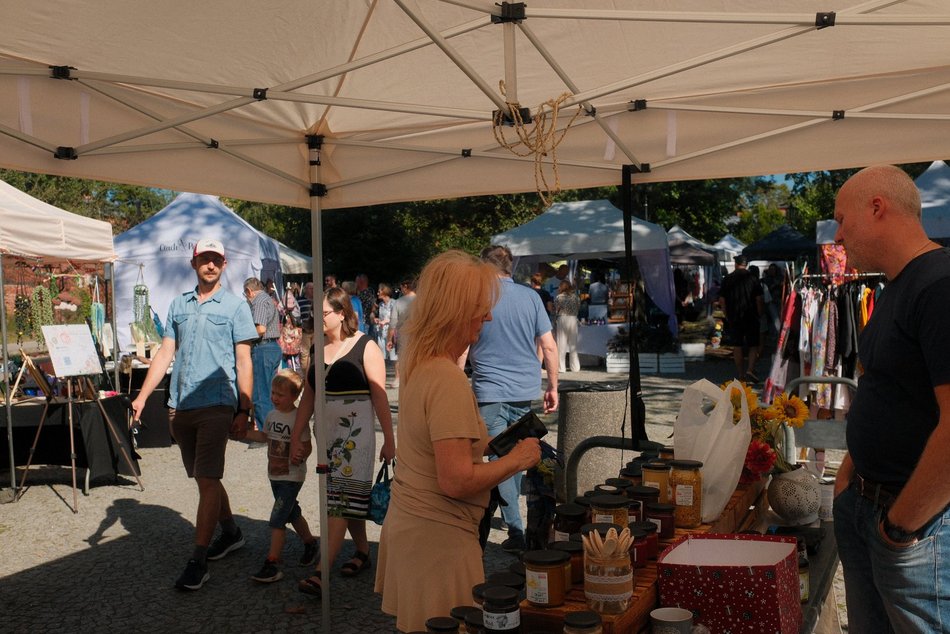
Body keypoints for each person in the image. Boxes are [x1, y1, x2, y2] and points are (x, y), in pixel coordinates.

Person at [374, 250, 541, 632]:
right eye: (480, 309)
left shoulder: (422, 366)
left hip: (418, 529)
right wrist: (518, 458)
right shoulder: (446, 379)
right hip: (438, 538)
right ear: (455, 311)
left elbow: (436, 447)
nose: (487, 317)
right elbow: (455, 480)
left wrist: (487, 444)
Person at [831, 164, 950, 633]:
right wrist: (850, 474)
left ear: (877, 207)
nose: (838, 236)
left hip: (915, 528)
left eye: (842, 219)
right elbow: (883, 389)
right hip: (869, 507)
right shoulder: (900, 284)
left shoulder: (939, 284)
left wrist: (902, 526)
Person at [130, 237, 258, 591]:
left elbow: (244, 359)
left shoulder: (235, 307)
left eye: (216, 259)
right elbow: (165, 352)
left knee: (206, 479)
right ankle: (231, 532)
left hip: (217, 404)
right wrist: (142, 397)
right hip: (180, 406)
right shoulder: (177, 305)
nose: (211, 264)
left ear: (225, 264)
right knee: (207, 478)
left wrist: (244, 408)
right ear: (194, 263)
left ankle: (198, 560)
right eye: (205, 258)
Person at [290, 286, 395, 597]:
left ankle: (322, 573)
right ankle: (362, 552)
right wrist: (297, 436)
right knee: (342, 500)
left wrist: (390, 439)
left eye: (324, 313)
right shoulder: (316, 348)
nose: (318, 319)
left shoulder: (366, 346)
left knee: (340, 504)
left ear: (342, 314)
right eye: (317, 314)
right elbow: (308, 396)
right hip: (326, 438)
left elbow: (379, 395)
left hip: (356, 438)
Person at [459, 244, 558, 553]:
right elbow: (549, 346)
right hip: (524, 390)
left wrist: (454, 383)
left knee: (499, 456)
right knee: (515, 454)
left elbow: (463, 348)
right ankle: (515, 525)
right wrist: (552, 385)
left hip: (489, 390)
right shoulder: (531, 297)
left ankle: (514, 529)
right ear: (510, 268)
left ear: (484, 267)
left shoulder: (478, 297)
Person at [242, 369, 318, 583]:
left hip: (292, 477)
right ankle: (310, 543)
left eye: (280, 395)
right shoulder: (271, 415)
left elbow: (307, 446)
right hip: (274, 474)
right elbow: (264, 437)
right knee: (291, 512)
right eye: (273, 393)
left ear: (294, 397)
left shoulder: (298, 418)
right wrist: (244, 433)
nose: (275, 398)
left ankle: (272, 563)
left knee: (277, 519)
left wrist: (301, 454)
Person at [244, 277, 283, 431]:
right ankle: (273, 428)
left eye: (245, 294)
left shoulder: (258, 301)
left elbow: (260, 329)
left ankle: (263, 431)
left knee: (260, 393)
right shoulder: (267, 298)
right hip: (272, 347)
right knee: (271, 392)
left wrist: (242, 336)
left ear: (249, 291)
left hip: (263, 348)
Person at [718, 254, 764, 382]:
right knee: (753, 345)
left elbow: (722, 300)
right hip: (751, 315)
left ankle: (740, 374)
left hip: (734, 316)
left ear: (736, 264)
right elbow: (759, 299)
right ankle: (750, 369)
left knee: (737, 345)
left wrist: (726, 314)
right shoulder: (753, 279)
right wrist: (759, 313)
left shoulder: (727, 279)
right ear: (746, 264)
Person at [386, 278, 417, 388]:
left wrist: (389, 339)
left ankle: (401, 380)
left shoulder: (399, 302)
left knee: (403, 360)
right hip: (419, 335)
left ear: (405, 287)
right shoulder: (422, 301)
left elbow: (393, 323)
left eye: (401, 287)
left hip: (404, 335)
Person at [553, 279, 581, 373]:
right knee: (573, 345)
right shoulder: (575, 297)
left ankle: (561, 367)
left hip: (563, 319)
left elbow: (556, 309)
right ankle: (575, 367)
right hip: (573, 319)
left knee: (561, 345)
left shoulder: (559, 297)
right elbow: (578, 307)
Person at [374, 283, 396, 366]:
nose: (377, 293)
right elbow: (382, 318)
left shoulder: (394, 303)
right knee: (381, 355)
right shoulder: (381, 305)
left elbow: (398, 318)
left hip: (391, 332)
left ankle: (397, 376)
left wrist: (386, 321)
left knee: (393, 356)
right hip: (381, 332)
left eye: (379, 291)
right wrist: (378, 320)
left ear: (384, 292)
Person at [297, 282, 314, 371]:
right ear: (306, 290)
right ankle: (305, 374)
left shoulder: (319, 300)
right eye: (310, 288)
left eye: (313, 288)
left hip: (316, 330)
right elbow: (296, 314)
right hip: (305, 330)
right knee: (305, 353)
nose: (313, 290)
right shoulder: (299, 300)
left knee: (316, 352)